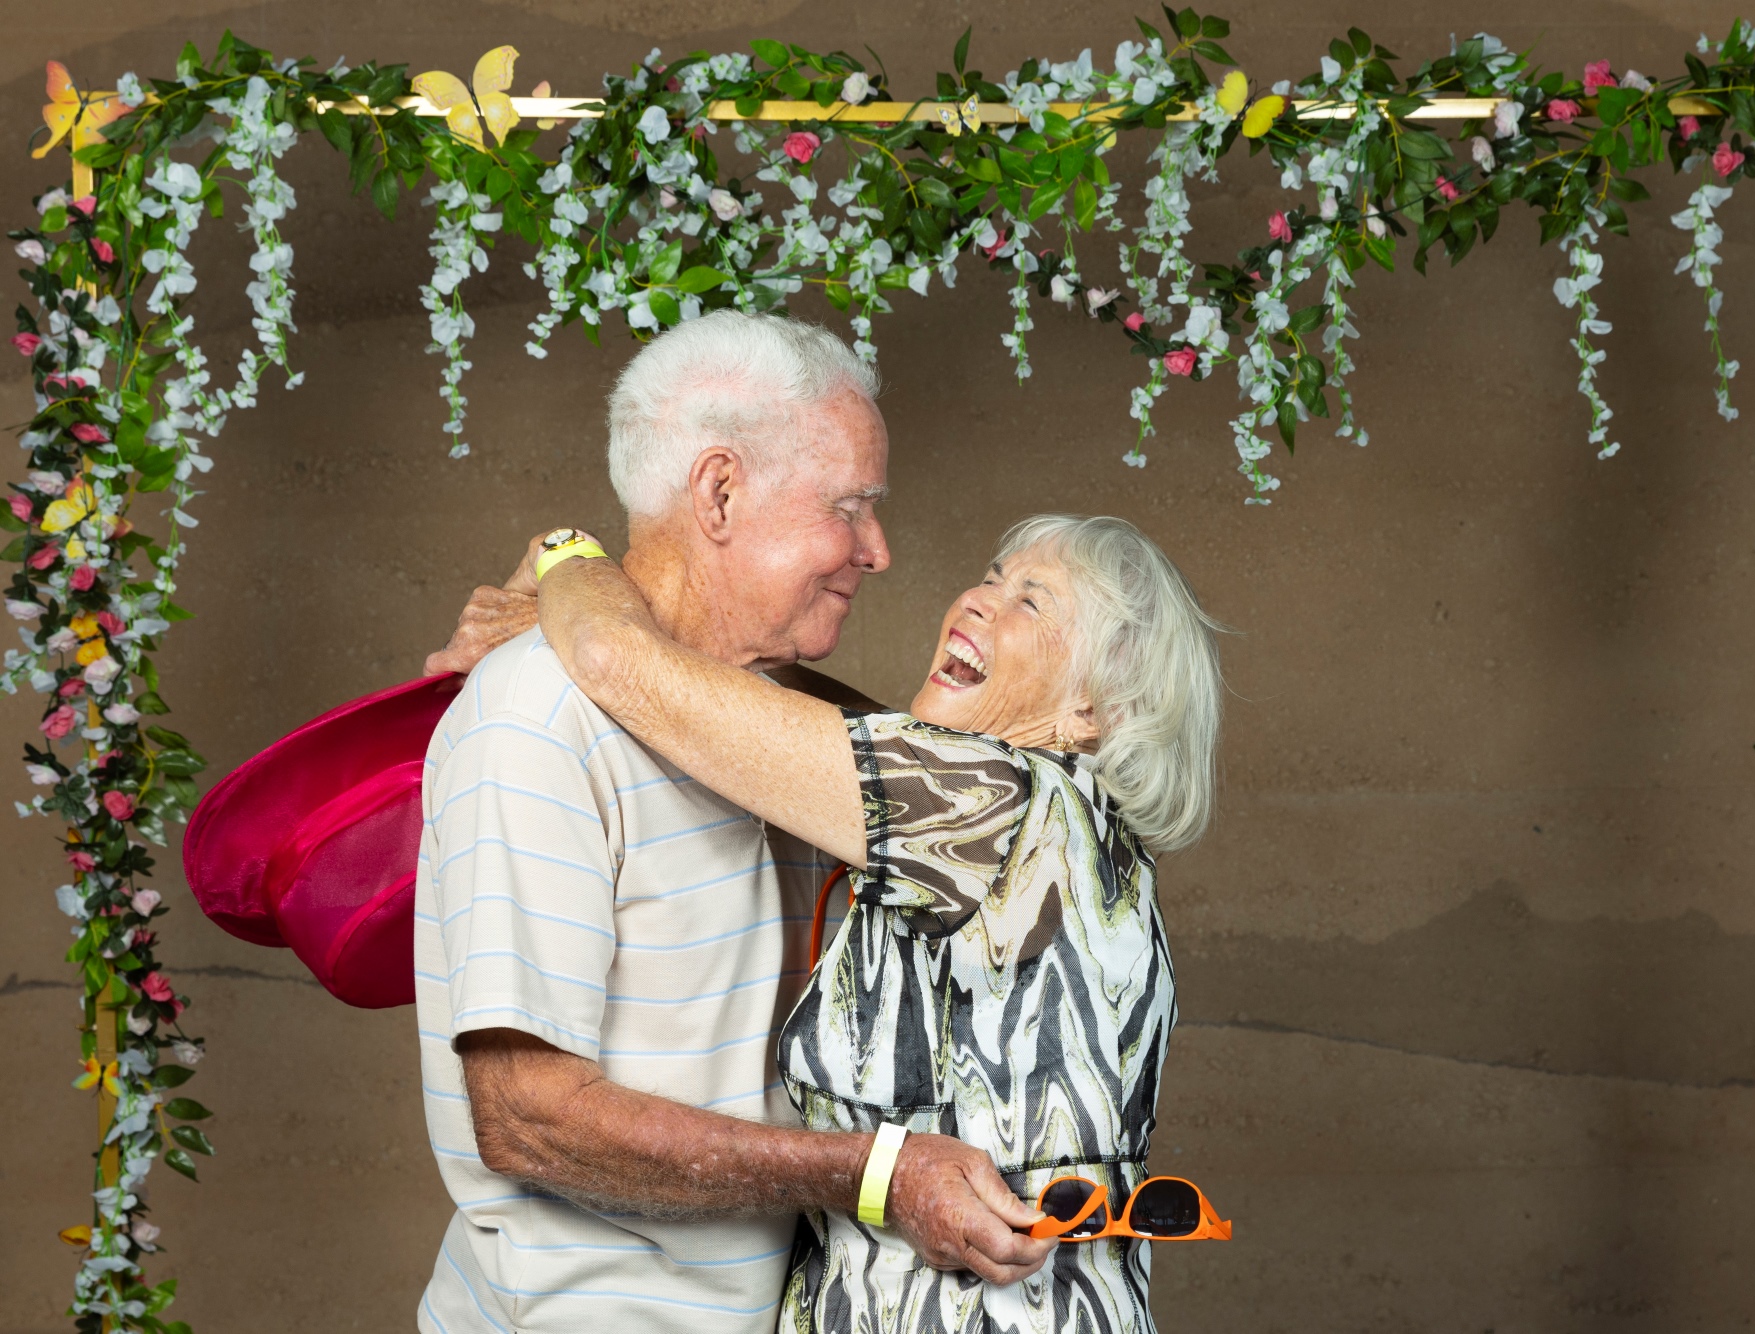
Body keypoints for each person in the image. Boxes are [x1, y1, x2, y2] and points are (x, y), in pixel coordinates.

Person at [413, 311, 1052, 1334]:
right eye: (851, 505)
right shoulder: (537, 716)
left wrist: (569, 558)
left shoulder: (771, 730)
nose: (877, 550)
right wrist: (875, 1174)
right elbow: (527, 1116)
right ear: (718, 492)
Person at [527, 510, 1225, 1333]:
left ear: (1095, 711)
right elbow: (820, 724)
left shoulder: (994, 809)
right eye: (992, 576)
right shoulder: (1084, 834)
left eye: (1030, 603)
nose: (977, 599)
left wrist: (562, 562)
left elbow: (615, 660)